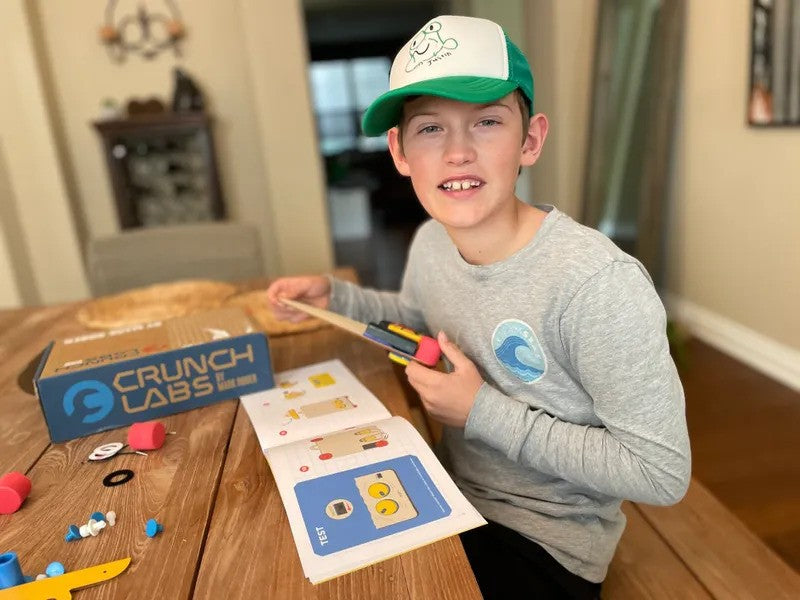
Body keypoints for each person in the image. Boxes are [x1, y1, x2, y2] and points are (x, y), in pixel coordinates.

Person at [266, 14, 690, 599]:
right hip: (446, 489)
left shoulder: (597, 284)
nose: (458, 152)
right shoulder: (433, 239)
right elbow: (417, 317)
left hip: (548, 544)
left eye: (487, 122)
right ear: (400, 151)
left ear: (531, 140)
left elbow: (660, 473)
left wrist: (481, 411)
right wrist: (335, 295)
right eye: (430, 129)